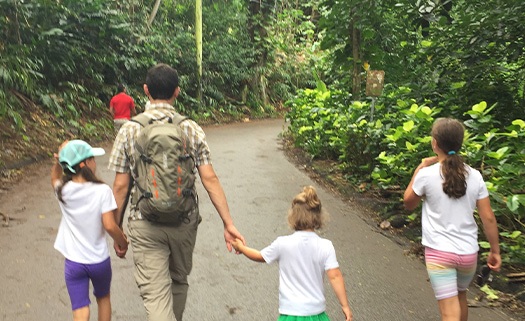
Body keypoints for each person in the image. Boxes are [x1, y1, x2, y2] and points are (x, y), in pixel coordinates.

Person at [108, 63, 245, 321]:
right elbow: (210, 178)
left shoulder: (129, 129)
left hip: (145, 222)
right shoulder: (190, 128)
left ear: (146, 90)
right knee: (178, 280)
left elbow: (120, 186)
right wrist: (228, 223)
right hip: (184, 221)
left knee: (155, 296)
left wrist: (117, 231)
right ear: (177, 92)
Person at [403, 118, 501, 321]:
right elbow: (488, 218)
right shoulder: (475, 176)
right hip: (468, 255)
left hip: (440, 254)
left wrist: (418, 170)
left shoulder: (427, 174)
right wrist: (495, 251)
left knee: (449, 313)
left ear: (434, 143)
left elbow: (408, 202)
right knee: (460, 296)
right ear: (460, 143)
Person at [232, 186, 353, 321]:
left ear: (292, 217)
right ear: (319, 217)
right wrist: (345, 305)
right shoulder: (326, 246)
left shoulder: (283, 243)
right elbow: (335, 276)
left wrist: (241, 248)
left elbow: (260, 256)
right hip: (316, 313)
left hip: (290, 313)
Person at [51, 139, 129, 321]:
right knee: (103, 298)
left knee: (80, 308)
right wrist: (122, 241)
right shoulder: (102, 191)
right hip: (98, 260)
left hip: (74, 262)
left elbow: (54, 178)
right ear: (84, 164)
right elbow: (109, 225)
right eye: (92, 158)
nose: (95, 162)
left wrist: (58, 160)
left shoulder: (63, 190)